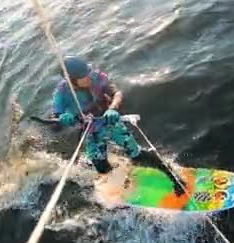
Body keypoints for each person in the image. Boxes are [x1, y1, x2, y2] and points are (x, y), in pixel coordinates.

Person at [50, 56, 184, 194]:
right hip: (91, 131)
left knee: (136, 154)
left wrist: (112, 108)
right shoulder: (62, 93)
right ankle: (119, 184)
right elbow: (54, 121)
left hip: (110, 121)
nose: (89, 76)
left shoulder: (97, 77)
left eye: (88, 72)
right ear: (72, 82)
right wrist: (61, 118)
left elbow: (116, 92)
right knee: (101, 166)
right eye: (84, 76)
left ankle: (172, 176)